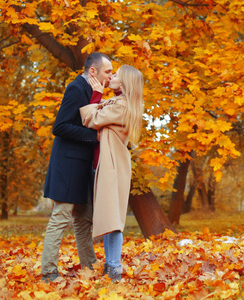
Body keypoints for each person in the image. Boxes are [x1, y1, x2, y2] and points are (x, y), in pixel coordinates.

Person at [41, 52, 113, 283]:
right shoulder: (75, 89)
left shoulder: (92, 92)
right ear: (93, 71)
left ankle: (89, 267)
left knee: (84, 219)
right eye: (108, 72)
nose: (110, 76)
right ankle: (49, 272)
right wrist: (96, 137)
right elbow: (60, 127)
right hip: (68, 165)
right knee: (60, 217)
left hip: (82, 167)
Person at [80, 65, 144, 281]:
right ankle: (111, 264)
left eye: (115, 75)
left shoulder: (121, 106)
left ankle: (114, 266)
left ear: (124, 82)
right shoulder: (117, 103)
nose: (111, 77)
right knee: (109, 216)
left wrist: (96, 94)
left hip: (113, 166)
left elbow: (90, 119)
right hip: (107, 165)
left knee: (113, 217)